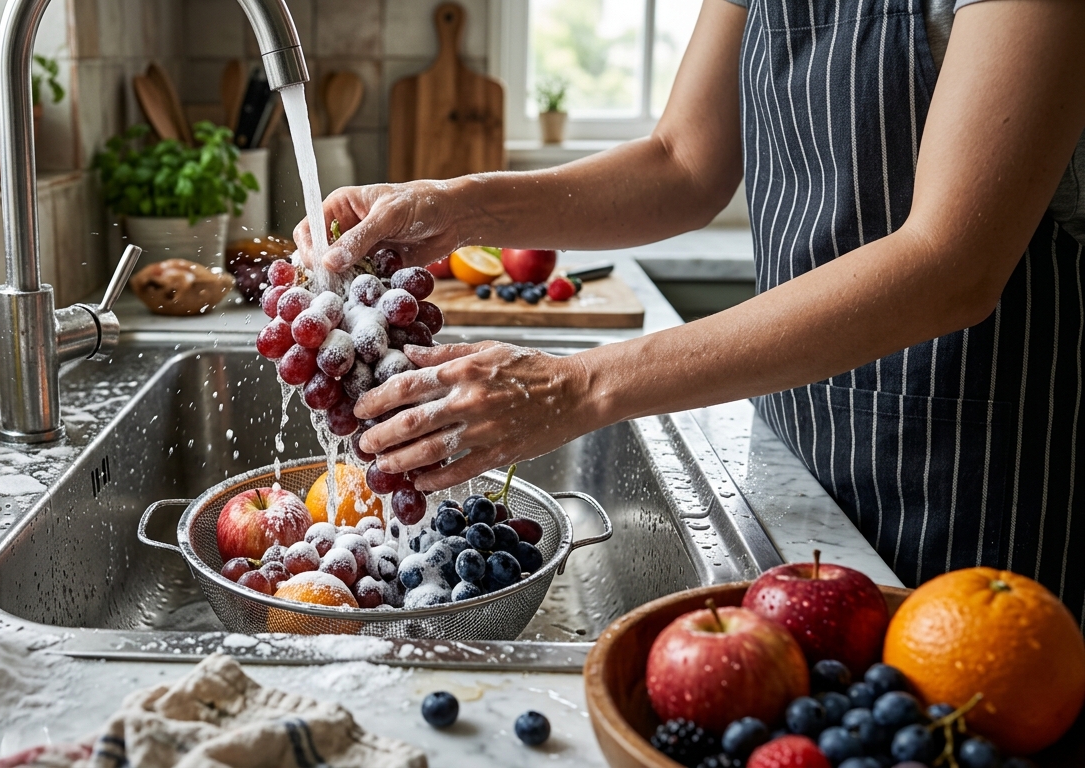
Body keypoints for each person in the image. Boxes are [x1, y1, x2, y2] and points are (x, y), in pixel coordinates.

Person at [294, 0, 1085, 614]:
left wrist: (578, 385)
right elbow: (683, 163)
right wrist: (461, 206)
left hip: (978, 477)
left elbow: (950, 263)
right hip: (798, 450)